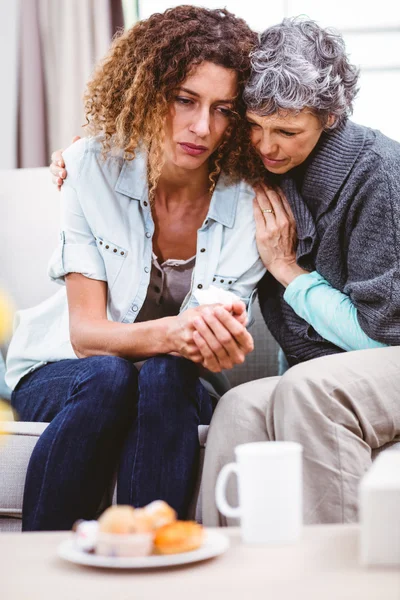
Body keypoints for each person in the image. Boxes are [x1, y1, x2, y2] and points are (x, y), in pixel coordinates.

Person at [5, 6, 267, 531]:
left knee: (169, 370)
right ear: (148, 90)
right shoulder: (90, 169)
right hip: (64, 371)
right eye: (185, 99)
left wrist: (213, 342)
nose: (201, 127)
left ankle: (154, 559)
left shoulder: (248, 201)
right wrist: (180, 332)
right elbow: (85, 335)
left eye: (223, 109)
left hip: (172, 387)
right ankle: (39, 564)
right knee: (108, 373)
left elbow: (204, 349)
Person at [201, 17, 400, 526]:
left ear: (330, 118)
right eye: (255, 125)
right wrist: (83, 154)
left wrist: (289, 271)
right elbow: (159, 152)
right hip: (328, 371)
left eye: (287, 131)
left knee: (308, 388)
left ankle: (336, 579)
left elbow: (384, 340)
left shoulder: (380, 175)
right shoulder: (259, 163)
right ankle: (236, 575)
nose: (267, 146)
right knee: (239, 408)